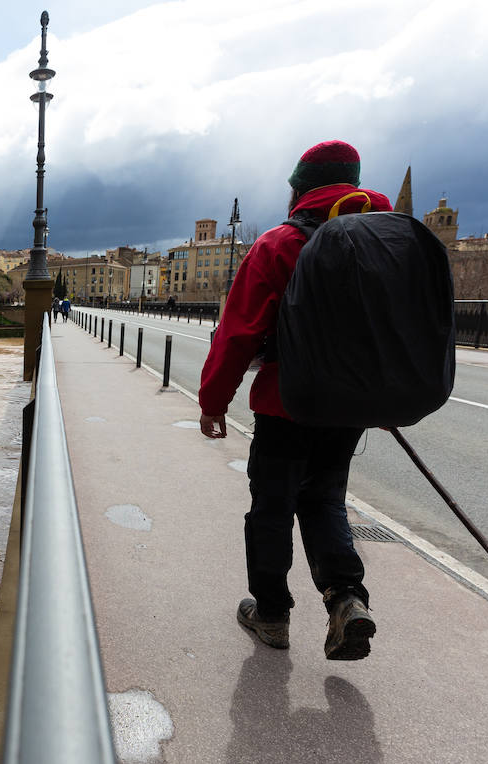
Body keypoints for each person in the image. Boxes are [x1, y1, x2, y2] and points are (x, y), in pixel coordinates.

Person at [198, 140, 390, 661]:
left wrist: (213, 402)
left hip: (288, 401)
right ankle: (347, 597)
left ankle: (272, 615)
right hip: (352, 405)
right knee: (325, 498)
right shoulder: (385, 242)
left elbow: (238, 333)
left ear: (300, 188)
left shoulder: (280, 244)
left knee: (272, 507)